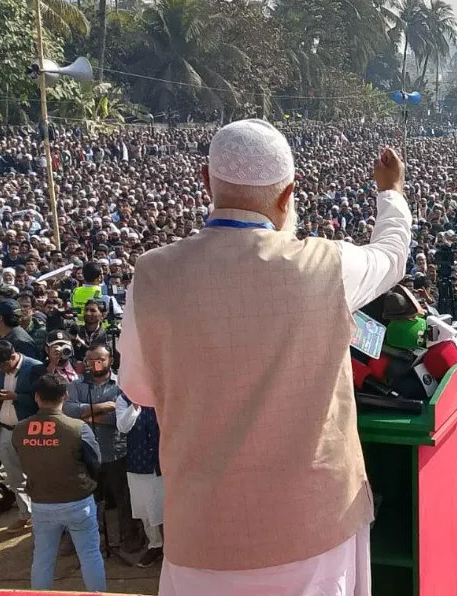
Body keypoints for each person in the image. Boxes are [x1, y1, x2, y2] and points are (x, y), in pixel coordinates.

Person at [118, 120, 412, 594]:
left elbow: (138, 390)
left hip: (205, 533)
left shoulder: (151, 276)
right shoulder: (326, 265)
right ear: (288, 193)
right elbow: (392, 255)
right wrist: (391, 193)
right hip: (314, 524)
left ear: (205, 181)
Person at [13, 374, 106, 592]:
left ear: (36, 397)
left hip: (41, 502)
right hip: (78, 501)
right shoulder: (77, 427)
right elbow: (96, 462)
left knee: (43, 558)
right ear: (65, 395)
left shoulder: (20, 429)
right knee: (90, 555)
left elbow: (22, 458)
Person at [65, 344, 142, 554]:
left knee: (123, 497)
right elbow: (68, 410)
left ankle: (130, 535)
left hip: (116, 451)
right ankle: (87, 538)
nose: (95, 363)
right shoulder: (77, 385)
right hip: (86, 452)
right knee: (88, 498)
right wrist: (105, 406)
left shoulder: (122, 384)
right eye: (91, 360)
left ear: (110, 360)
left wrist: (88, 417)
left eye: (100, 359)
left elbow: (120, 418)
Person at [0, 340, 40, 532]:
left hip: (29, 430)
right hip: (4, 429)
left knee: (36, 474)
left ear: (12, 355)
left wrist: (14, 397)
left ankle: (43, 515)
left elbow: (41, 400)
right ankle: (25, 513)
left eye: (3, 365)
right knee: (15, 476)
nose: (0, 369)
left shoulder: (34, 368)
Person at [116, 392, 164, 568]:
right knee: (145, 510)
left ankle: (174, 549)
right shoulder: (124, 399)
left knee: (168, 509)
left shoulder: (164, 394)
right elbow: (122, 427)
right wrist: (135, 406)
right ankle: (155, 545)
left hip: (165, 463)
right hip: (140, 464)